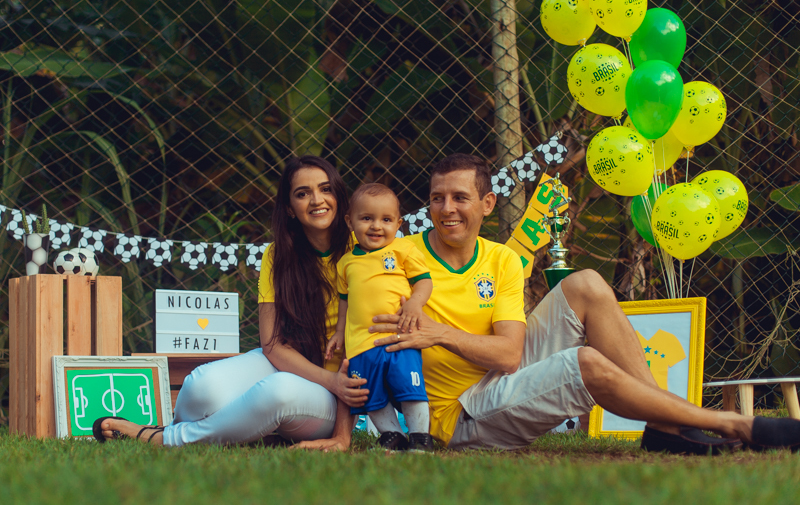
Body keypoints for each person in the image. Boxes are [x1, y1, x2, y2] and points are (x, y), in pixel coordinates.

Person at [367, 153, 800, 453]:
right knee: (585, 364)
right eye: (437, 198)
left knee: (588, 283)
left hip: (497, 375)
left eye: (459, 197)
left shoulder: (500, 259)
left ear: (487, 203)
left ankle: (667, 427)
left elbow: (509, 354)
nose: (447, 209)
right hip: (457, 415)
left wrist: (438, 333)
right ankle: (730, 424)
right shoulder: (401, 257)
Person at [94, 155, 367, 450]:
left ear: (339, 196)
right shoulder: (278, 256)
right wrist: (327, 378)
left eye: (325, 189)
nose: (317, 200)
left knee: (277, 392)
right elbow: (273, 345)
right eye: (303, 193)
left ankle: (167, 438)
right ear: (289, 208)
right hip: (300, 368)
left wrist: (341, 430)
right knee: (201, 385)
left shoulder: (364, 252)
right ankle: (244, 429)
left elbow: (367, 345)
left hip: (336, 396)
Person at [325, 183, 434, 452]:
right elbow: (344, 301)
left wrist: (415, 305)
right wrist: (339, 332)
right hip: (361, 344)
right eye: (366, 219)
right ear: (350, 221)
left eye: (386, 220)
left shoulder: (402, 250)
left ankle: (421, 436)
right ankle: (392, 435)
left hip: (399, 337)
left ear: (398, 223)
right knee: (369, 394)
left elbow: (424, 282)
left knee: (410, 387)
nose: (376, 226)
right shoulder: (346, 263)